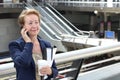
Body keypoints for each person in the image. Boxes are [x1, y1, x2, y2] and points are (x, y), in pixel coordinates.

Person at [8, 9, 58, 80]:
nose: (34, 26)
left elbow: (55, 71)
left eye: (36, 22)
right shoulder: (15, 45)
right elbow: (24, 63)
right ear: (23, 25)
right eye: (30, 23)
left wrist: (50, 71)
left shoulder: (46, 44)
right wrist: (29, 43)